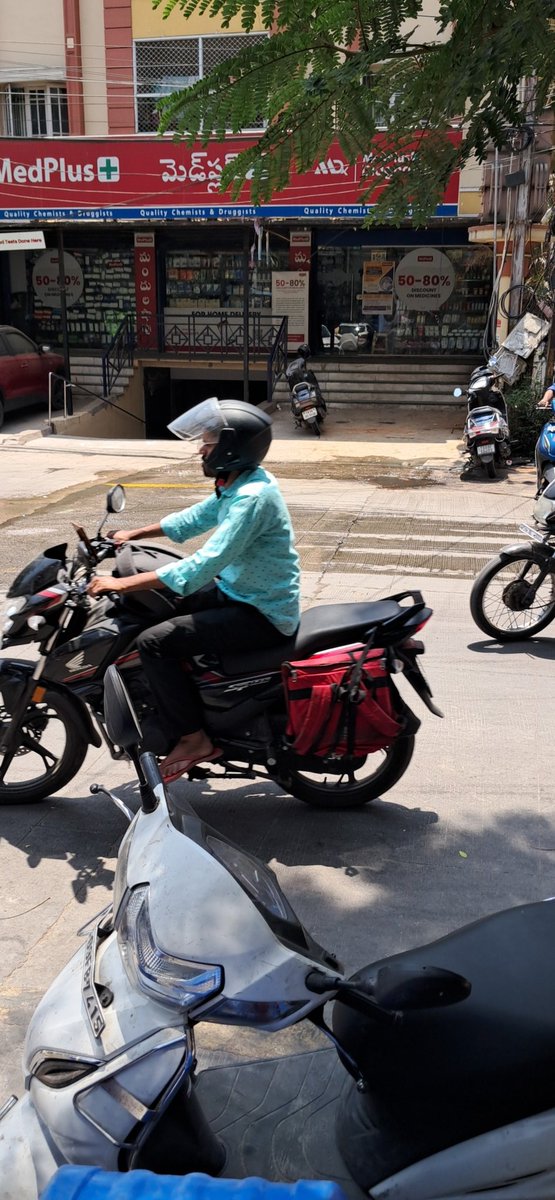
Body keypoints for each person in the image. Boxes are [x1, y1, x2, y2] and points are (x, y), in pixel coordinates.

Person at [87, 398, 300, 783]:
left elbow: (202, 565)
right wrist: (134, 533)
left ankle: (194, 737)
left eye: (208, 442)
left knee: (153, 643)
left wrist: (120, 582)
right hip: (239, 591)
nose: (201, 448)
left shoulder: (252, 499)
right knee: (159, 607)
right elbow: (194, 519)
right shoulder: (240, 482)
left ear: (232, 446)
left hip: (262, 612)